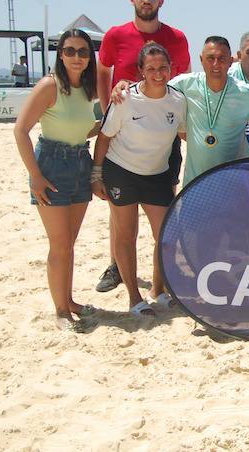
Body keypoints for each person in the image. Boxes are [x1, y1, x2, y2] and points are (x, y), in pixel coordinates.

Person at [95, 0, 190, 294]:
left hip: (163, 128)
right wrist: (109, 105)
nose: (146, 0)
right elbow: (104, 72)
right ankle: (115, 267)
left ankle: (160, 284)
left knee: (158, 214)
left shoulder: (176, 38)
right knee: (122, 219)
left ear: (160, 1)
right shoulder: (114, 35)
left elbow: (183, 82)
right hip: (125, 126)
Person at [13, 29, 99, 333]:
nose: (77, 57)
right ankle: (61, 310)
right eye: (70, 51)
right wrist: (35, 176)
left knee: (69, 243)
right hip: (51, 167)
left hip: (79, 164)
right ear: (60, 55)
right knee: (59, 244)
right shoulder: (50, 86)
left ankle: (69, 299)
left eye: (83, 52)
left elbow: (84, 129)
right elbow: (20, 130)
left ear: (90, 57)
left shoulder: (88, 89)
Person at [92, 42, 186, 317]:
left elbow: (183, 135)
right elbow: (104, 137)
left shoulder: (178, 100)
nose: (158, 74)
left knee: (165, 236)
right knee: (126, 234)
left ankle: (158, 290)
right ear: (141, 72)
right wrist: (96, 175)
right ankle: (134, 297)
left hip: (156, 176)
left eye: (163, 68)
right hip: (121, 171)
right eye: (151, 69)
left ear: (171, 69)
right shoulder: (125, 98)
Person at [111, 36, 249, 184]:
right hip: (194, 184)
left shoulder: (245, 93)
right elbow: (153, 86)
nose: (216, 64)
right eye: (210, 58)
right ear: (201, 59)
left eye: (222, 59)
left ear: (230, 61)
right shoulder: (185, 84)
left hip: (232, 182)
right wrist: (125, 84)